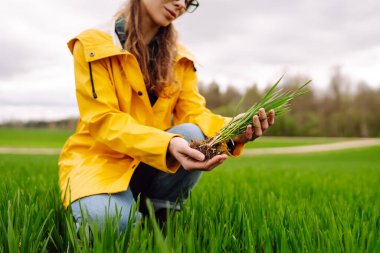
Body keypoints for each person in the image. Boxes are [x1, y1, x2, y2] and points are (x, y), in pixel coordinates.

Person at [59, 0, 275, 231]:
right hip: (101, 163)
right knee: (110, 225)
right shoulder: (93, 44)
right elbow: (103, 120)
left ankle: (159, 215)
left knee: (192, 131)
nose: (181, 4)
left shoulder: (181, 58)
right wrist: (167, 144)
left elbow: (193, 113)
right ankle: (119, 212)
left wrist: (232, 130)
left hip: (152, 161)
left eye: (189, 1)